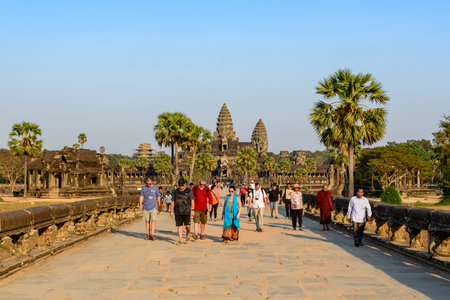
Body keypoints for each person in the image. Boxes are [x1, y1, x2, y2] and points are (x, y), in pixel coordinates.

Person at [170, 179, 195, 245]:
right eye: (180, 185)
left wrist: (192, 209)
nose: (181, 186)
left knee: (187, 226)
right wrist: (171, 211)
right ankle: (180, 240)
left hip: (187, 211)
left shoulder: (189, 190)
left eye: (182, 185)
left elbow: (192, 200)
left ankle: (188, 234)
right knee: (179, 226)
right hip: (178, 211)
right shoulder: (175, 192)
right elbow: (172, 201)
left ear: (185, 184)